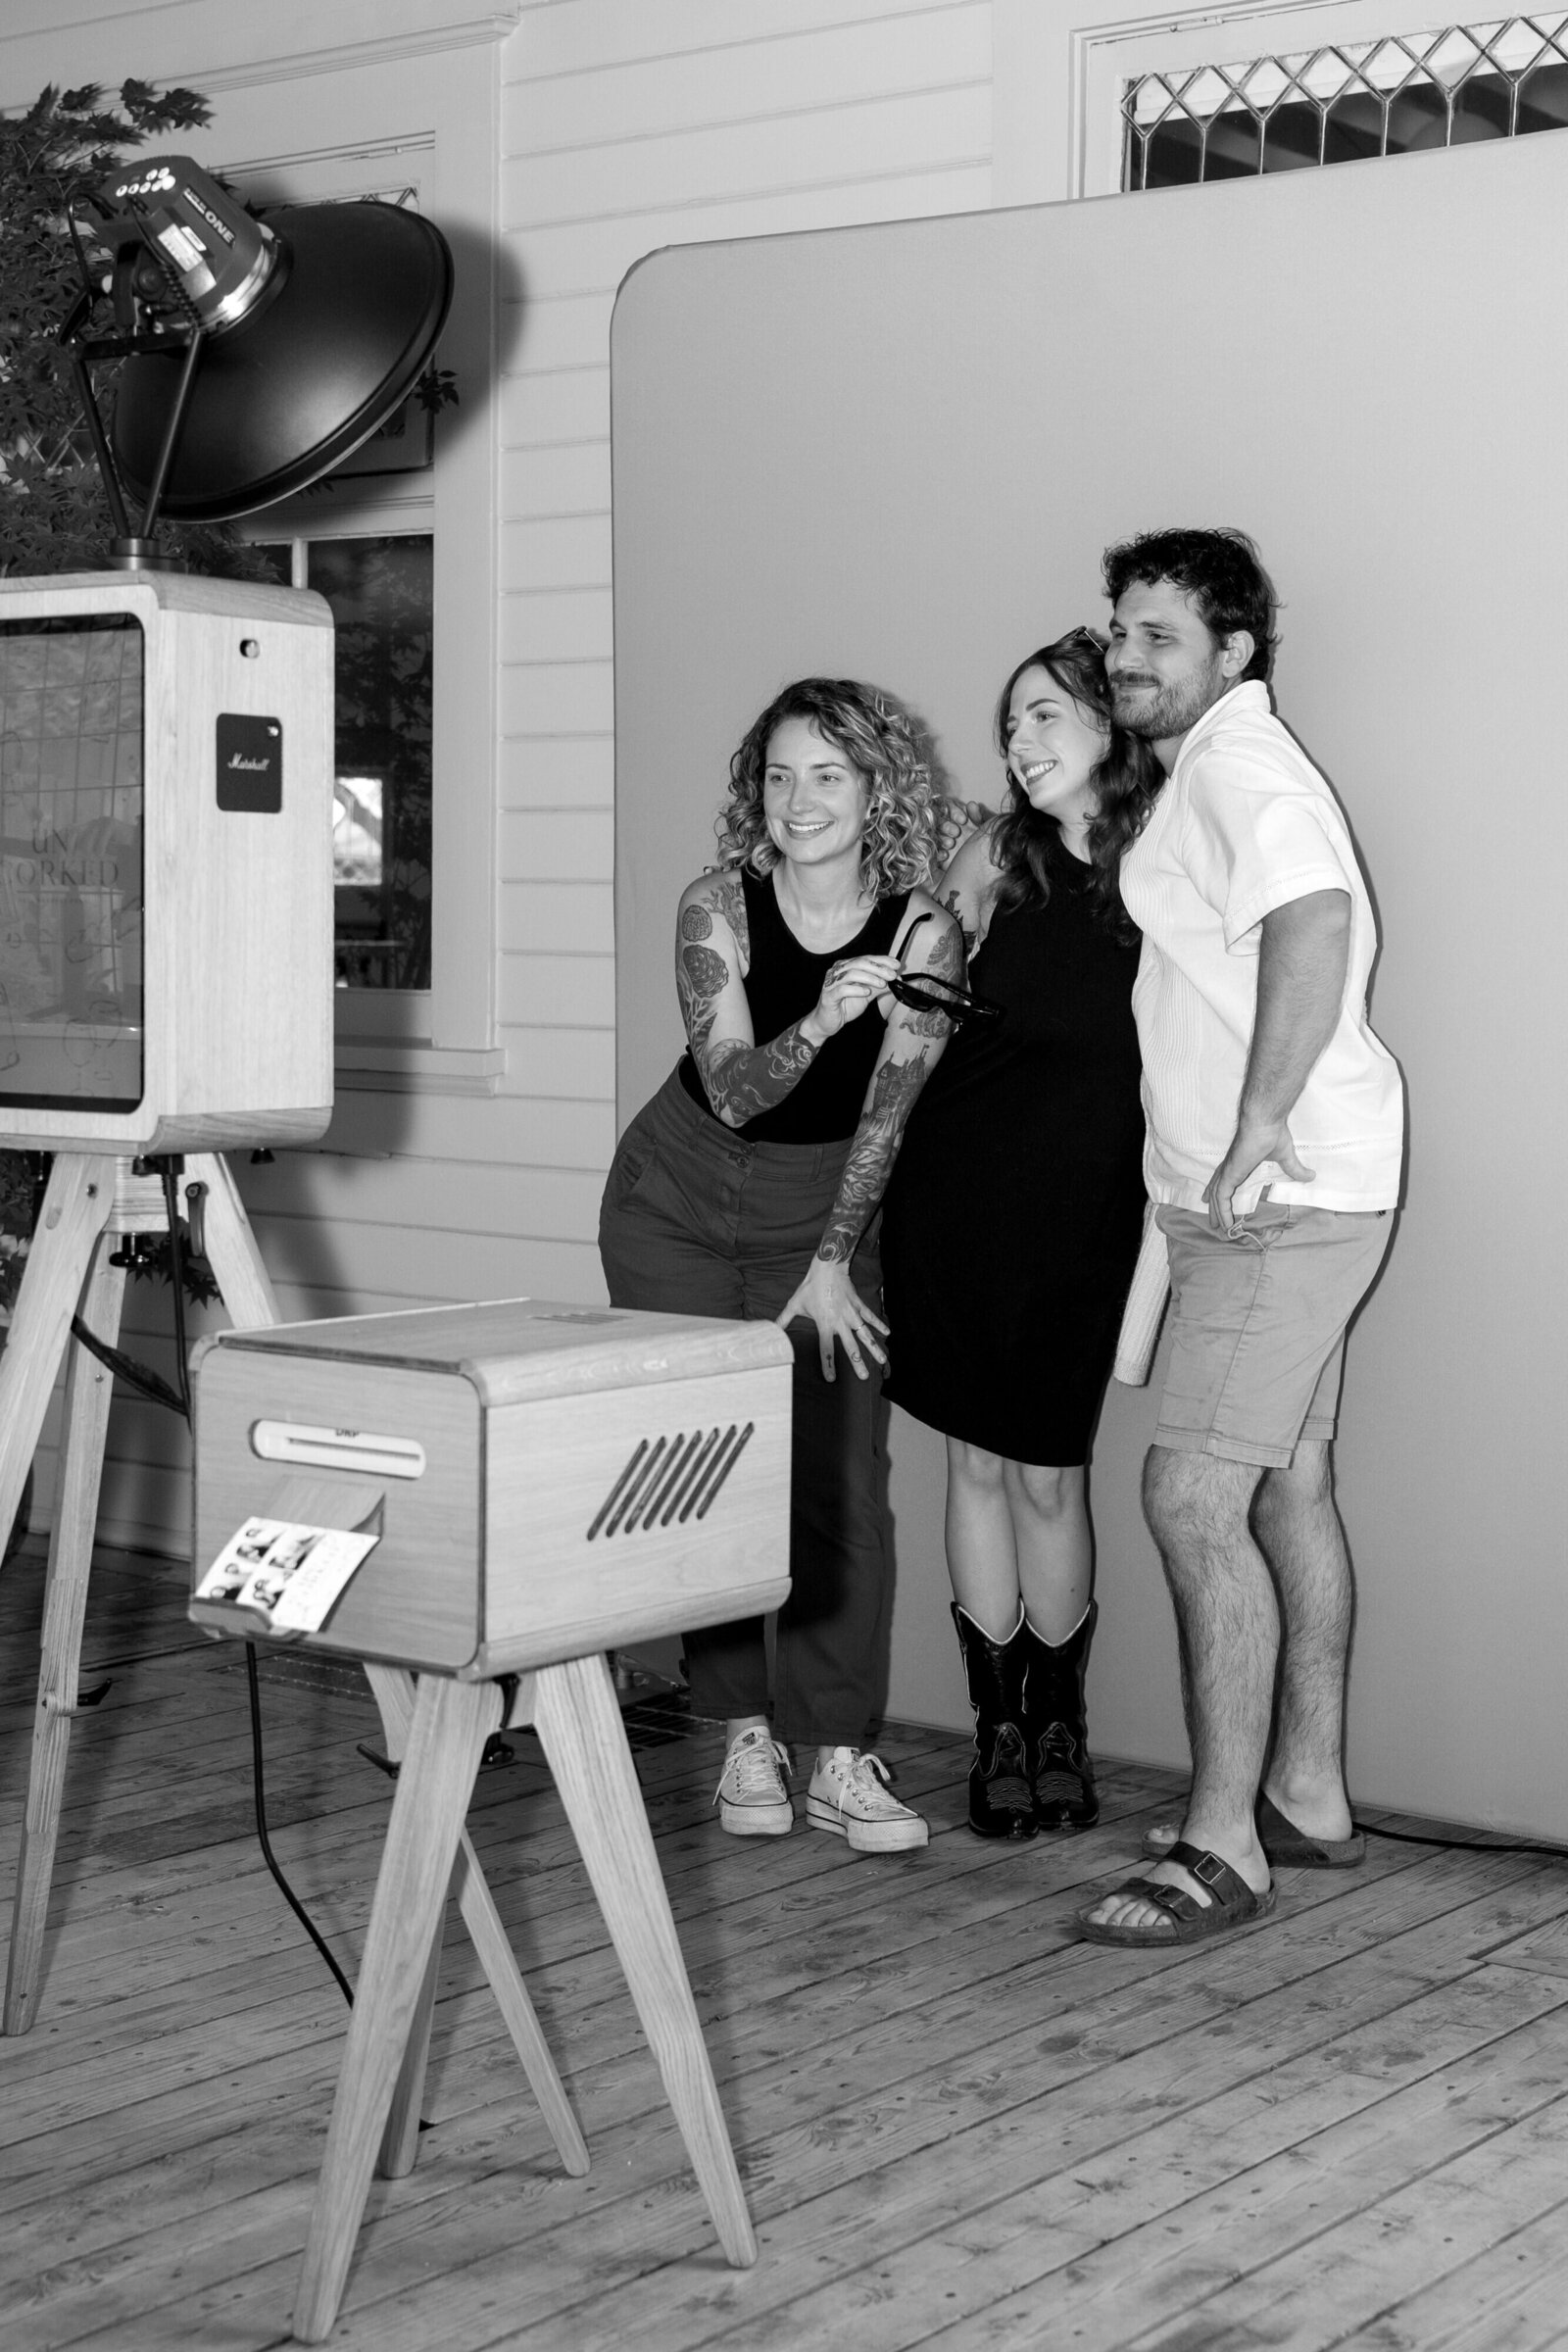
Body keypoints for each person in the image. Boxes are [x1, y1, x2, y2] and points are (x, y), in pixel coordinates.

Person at [1078, 528, 1403, 1948]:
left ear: (1232, 651)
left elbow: (1314, 920)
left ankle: (1222, 1847)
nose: (1125, 656)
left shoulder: (1236, 766)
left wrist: (1258, 1120)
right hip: (1289, 1196)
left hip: (1275, 1205)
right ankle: (1304, 1794)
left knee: (1191, 1499)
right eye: (1118, 631)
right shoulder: (1211, 765)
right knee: (1286, 1486)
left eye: (1158, 635)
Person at [599, 677, 963, 1856]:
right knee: (705, 1468)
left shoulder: (924, 934)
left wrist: (832, 1263)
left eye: (828, 775)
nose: (799, 800)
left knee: (836, 1484)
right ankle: (740, 1730)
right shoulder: (718, 906)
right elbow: (732, 1089)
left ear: (876, 790)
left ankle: (837, 1752)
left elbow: (886, 1123)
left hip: (823, 1212)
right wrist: (822, 1019)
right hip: (673, 1200)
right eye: (779, 775)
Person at [879, 630, 1160, 1841]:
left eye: (1045, 714)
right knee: (977, 1466)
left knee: (1051, 1471)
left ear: (1109, 721)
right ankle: (1001, 1736)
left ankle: (1060, 1728)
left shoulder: (1170, 855)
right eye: (1011, 720)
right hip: (959, 1193)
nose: (1020, 738)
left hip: (1089, 1205)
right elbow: (917, 1006)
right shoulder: (997, 853)